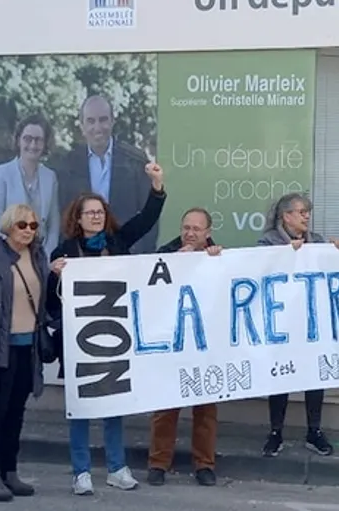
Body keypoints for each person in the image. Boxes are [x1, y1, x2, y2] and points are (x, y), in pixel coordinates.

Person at [47, 161, 165, 496]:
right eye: (89, 213)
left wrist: (157, 187)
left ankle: (117, 468)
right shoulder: (64, 253)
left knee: (114, 407)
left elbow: (146, 220)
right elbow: (51, 303)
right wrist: (53, 275)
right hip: (79, 342)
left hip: (115, 338)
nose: (96, 217)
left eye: (100, 212)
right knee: (82, 409)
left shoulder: (118, 242)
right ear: (78, 218)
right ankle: (80, 472)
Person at [0, 203, 52, 502]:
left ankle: (9, 469)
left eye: (33, 225)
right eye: (22, 225)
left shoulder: (39, 256)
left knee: (16, 411)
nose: (28, 230)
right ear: (8, 226)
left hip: (27, 347)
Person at [257, 192, 339, 458]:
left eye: (308, 211)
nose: (307, 216)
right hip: (282, 322)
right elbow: (258, 268)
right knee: (280, 377)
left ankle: (314, 431)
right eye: (302, 211)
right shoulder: (268, 241)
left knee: (314, 375)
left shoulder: (315, 241)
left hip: (311, 321)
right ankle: (275, 432)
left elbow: (331, 271)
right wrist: (285, 255)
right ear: (286, 216)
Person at [147, 207, 223, 487]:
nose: (190, 233)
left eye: (197, 229)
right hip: (173, 341)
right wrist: (175, 262)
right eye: (186, 227)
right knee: (165, 406)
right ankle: (158, 463)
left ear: (208, 233)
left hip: (205, 343)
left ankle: (204, 464)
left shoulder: (221, 256)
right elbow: (151, 289)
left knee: (205, 408)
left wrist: (215, 260)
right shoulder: (166, 252)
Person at [54, 94, 158, 254]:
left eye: (103, 120)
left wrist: (141, 256)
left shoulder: (135, 161)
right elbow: (63, 216)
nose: (97, 128)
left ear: (112, 121)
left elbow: (149, 217)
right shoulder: (68, 165)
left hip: (126, 253)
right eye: (90, 121)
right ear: (81, 125)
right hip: (82, 255)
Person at [0, 115, 61, 255]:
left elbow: (53, 224)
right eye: (27, 138)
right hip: (7, 255)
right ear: (18, 140)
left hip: (41, 256)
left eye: (38, 140)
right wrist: (13, 253)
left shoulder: (50, 177)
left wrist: (47, 257)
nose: (33, 145)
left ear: (45, 144)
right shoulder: (0, 174)